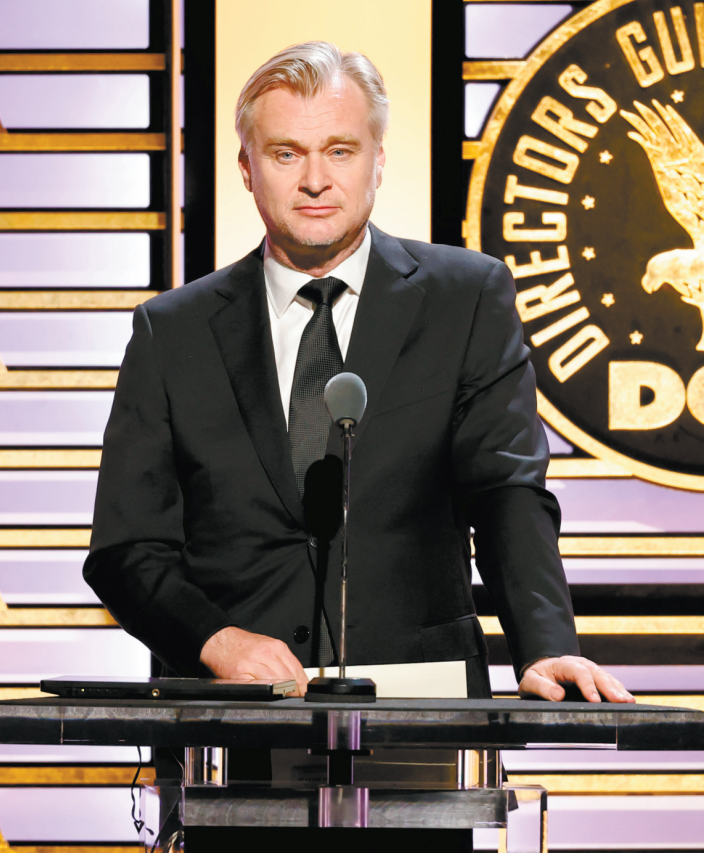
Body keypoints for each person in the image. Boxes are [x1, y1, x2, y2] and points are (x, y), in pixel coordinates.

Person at [84, 41, 633, 706]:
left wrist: (545, 644)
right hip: (229, 717)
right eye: (286, 154)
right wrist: (214, 639)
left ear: (378, 162)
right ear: (247, 169)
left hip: (421, 710)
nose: (315, 180)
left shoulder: (466, 298)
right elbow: (126, 549)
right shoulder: (172, 331)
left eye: (340, 151)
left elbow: (506, 492)